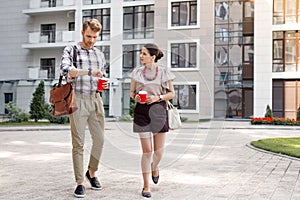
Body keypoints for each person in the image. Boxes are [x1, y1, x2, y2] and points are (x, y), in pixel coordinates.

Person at [60, 19, 108, 198]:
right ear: (82, 32)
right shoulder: (71, 50)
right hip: (77, 99)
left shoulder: (99, 54)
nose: (91, 40)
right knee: (78, 143)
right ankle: (80, 182)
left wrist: (104, 82)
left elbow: (101, 75)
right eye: (89, 36)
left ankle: (92, 172)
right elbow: (66, 70)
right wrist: (88, 72)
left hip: (95, 98)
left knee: (100, 140)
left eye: (95, 37)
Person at [129, 43, 175, 198]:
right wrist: (135, 97)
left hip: (159, 110)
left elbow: (171, 94)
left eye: (144, 53)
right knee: (147, 151)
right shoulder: (136, 72)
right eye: (141, 53)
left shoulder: (163, 72)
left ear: (153, 57)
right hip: (141, 111)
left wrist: (158, 97)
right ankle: (146, 185)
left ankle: (155, 167)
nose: (141, 56)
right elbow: (131, 92)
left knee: (158, 151)